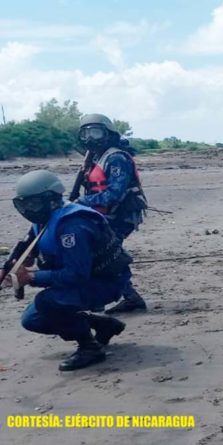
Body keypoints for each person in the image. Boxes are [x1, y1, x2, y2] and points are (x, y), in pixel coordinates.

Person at [1, 170, 130, 371]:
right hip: (86, 280)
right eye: (23, 205)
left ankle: (90, 347)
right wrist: (9, 267)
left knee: (47, 301)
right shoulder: (44, 218)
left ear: (51, 199)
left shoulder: (73, 225)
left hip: (105, 282)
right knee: (32, 320)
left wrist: (31, 277)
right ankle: (102, 325)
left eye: (33, 204)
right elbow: (27, 245)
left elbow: (76, 275)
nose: (28, 210)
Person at [74, 114, 148, 313]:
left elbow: (113, 195)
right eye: (86, 133)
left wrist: (79, 202)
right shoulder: (95, 158)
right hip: (103, 215)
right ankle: (129, 297)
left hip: (122, 215)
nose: (90, 138)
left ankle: (102, 300)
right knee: (107, 254)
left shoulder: (116, 158)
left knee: (106, 254)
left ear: (108, 133)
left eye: (95, 132)